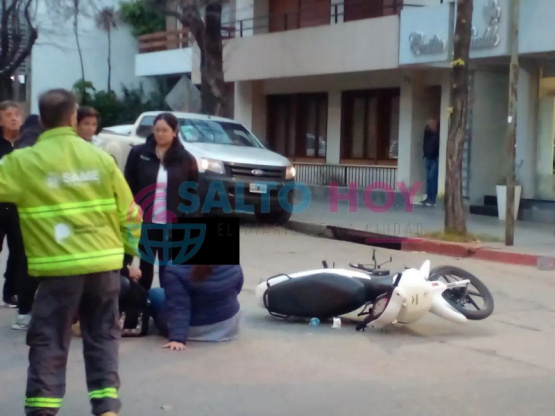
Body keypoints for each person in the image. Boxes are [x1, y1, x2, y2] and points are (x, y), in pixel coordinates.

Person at [0, 88, 142, 416]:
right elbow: (133, 214)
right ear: (73, 117)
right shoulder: (101, 159)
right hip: (104, 267)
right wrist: (125, 258)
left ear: (39, 119)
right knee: (103, 336)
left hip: (57, 271)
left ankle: (43, 410)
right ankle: (107, 407)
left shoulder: (23, 162)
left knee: (49, 340)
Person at [124, 112, 198, 291]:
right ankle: (139, 310)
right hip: (145, 222)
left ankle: (165, 312)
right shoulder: (139, 153)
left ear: (174, 132)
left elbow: (193, 192)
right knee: (145, 269)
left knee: (169, 270)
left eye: (165, 130)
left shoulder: (186, 159)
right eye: (157, 130)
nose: (160, 134)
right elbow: (127, 186)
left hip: (171, 225)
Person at [148, 265, 244, 351]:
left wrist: (177, 339)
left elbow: (179, 307)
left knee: (155, 294)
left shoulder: (175, 268)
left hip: (195, 329)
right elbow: (237, 287)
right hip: (229, 325)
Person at [10, 114, 44, 330]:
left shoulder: (19, 148)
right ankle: (27, 311)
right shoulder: (39, 149)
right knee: (33, 263)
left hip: (16, 209)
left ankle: (23, 311)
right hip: (37, 213)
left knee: (22, 259)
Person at [0, 100, 23, 308]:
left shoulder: (26, 144)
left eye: (17, 114)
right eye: (9, 115)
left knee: (18, 250)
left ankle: (10, 292)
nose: (14, 118)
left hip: (18, 206)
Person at [422, 118, 440, 206]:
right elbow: (425, 143)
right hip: (428, 157)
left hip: (434, 158)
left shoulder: (438, 135)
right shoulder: (428, 134)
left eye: (431, 125)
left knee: (432, 177)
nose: (430, 127)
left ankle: (433, 198)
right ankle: (428, 197)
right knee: (428, 179)